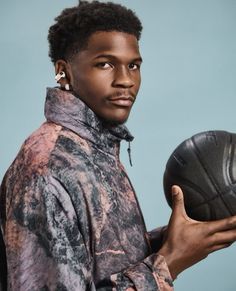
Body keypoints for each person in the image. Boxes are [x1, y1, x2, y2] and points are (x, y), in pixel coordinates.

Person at [1, 1, 236, 290]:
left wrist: (176, 240)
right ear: (63, 72)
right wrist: (168, 262)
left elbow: (96, 261)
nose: (125, 81)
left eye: (133, 65)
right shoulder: (46, 173)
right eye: (106, 64)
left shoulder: (93, 148)